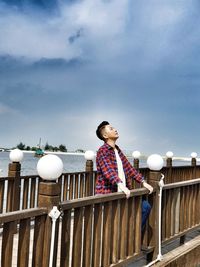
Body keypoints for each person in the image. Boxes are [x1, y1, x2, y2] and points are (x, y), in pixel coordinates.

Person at [95, 121, 153, 231]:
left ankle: (134, 236)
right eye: (111, 129)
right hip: (109, 194)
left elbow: (129, 168)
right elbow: (108, 171)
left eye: (114, 128)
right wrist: (121, 185)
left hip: (123, 192)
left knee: (145, 207)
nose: (115, 129)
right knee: (112, 225)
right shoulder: (102, 151)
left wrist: (144, 182)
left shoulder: (118, 150)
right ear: (105, 135)